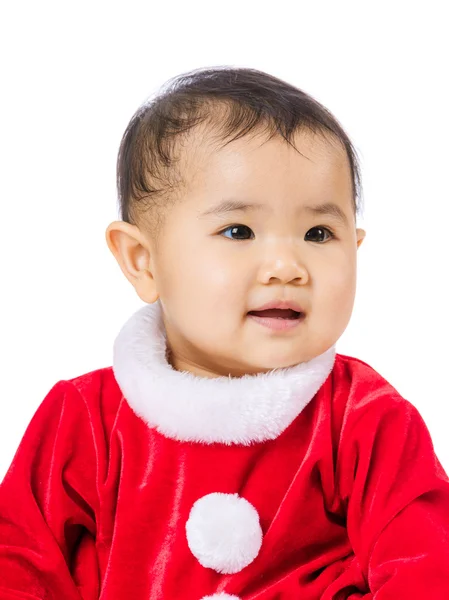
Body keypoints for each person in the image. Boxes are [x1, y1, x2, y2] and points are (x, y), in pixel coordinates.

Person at [1, 66, 448, 600]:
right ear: (144, 261)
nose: (286, 265)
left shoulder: (365, 417)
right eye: (238, 231)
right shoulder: (86, 418)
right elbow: (19, 563)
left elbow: (427, 566)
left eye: (319, 233)